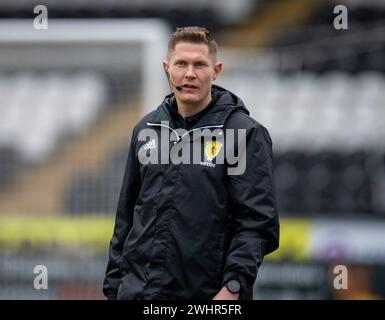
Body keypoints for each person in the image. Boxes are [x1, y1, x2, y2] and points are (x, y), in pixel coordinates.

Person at [103, 26, 279, 300]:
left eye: (200, 64)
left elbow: (256, 223)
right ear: (166, 68)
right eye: (181, 63)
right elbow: (126, 217)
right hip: (139, 293)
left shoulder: (243, 134)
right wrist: (113, 288)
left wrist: (233, 288)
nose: (190, 73)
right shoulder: (146, 129)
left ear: (216, 70)